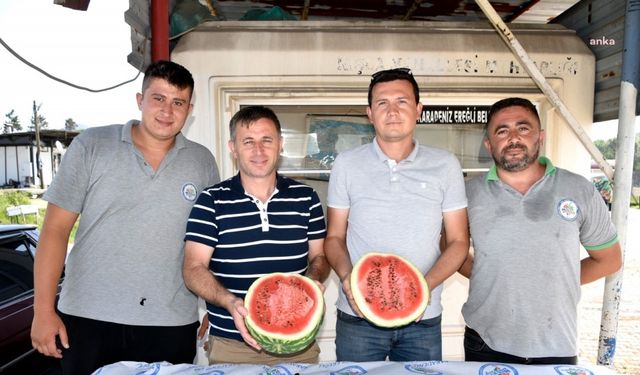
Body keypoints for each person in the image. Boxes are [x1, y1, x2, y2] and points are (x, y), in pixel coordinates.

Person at [30, 60, 220, 374]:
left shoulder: (201, 161)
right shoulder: (92, 145)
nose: (167, 111)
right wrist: (42, 310)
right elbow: (54, 231)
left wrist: (217, 303)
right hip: (86, 318)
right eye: (158, 98)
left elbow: (211, 240)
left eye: (178, 103)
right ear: (140, 100)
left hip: (171, 322)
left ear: (190, 109)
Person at [460, 97, 622, 365]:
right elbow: (452, 249)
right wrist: (493, 276)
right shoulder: (469, 194)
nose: (513, 138)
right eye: (502, 131)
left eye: (523, 128)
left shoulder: (578, 189)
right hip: (486, 340)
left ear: (540, 137)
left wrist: (551, 280)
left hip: (556, 342)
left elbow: (610, 259)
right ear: (489, 144)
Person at [324, 67, 470, 361]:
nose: (392, 111)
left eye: (402, 101)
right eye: (382, 103)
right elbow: (334, 236)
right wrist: (348, 278)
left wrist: (420, 290)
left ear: (418, 110)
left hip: (423, 320)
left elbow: (458, 242)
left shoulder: (446, 164)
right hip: (357, 316)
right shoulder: (346, 163)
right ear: (369, 113)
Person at [182, 105, 329, 365]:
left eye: (267, 140)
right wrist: (229, 301)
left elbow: (320, 256)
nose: (258, 151)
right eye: (248, 142)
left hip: (299, 346)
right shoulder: (211, 201)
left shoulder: (307, 198)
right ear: (233, 148)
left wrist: (313, 280)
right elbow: (193, 268)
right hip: (232, 344)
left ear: (280, 145)